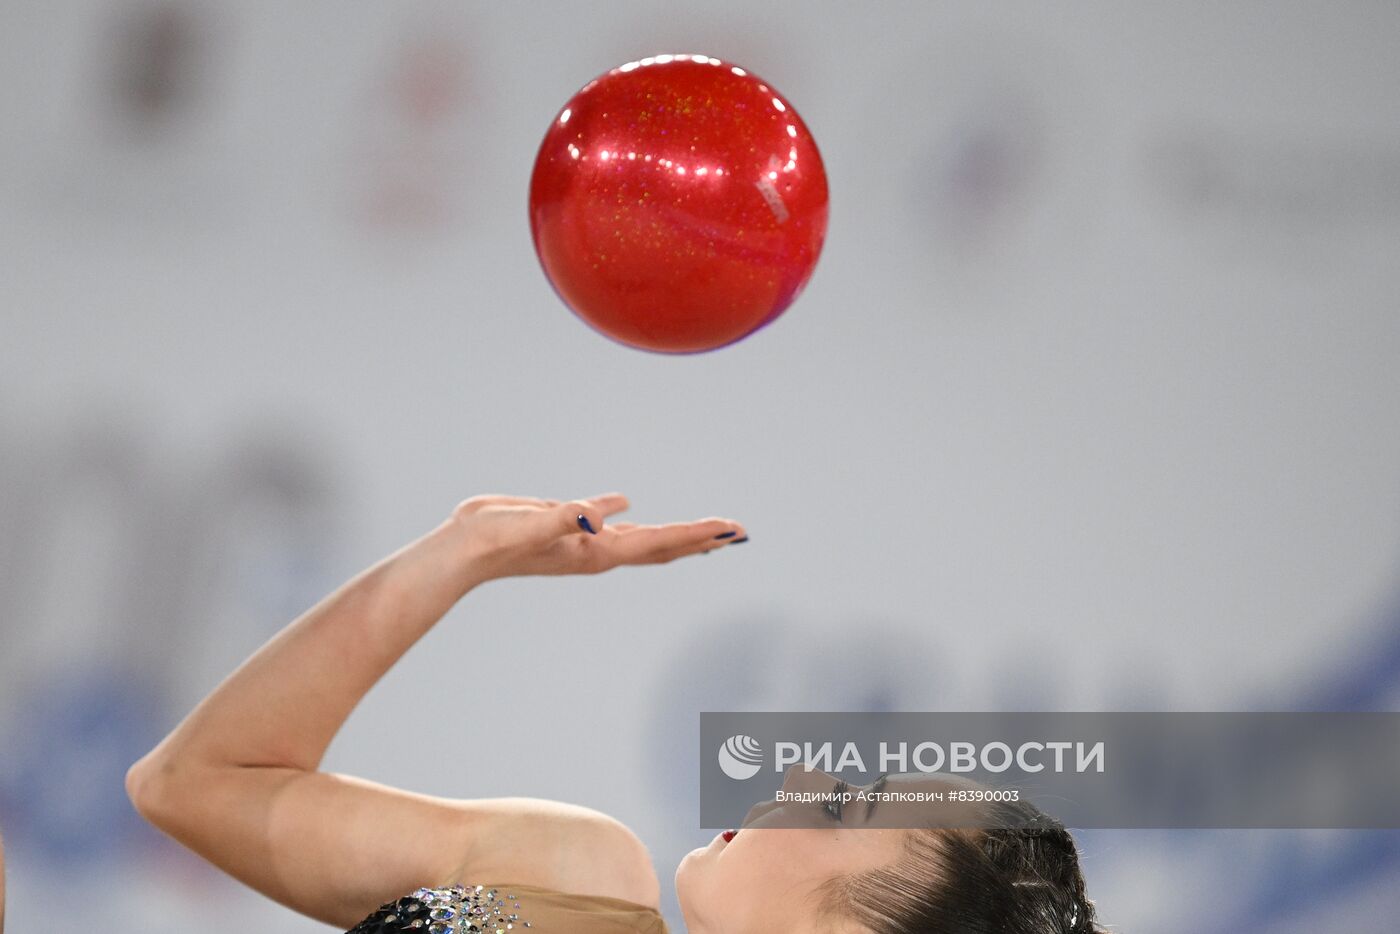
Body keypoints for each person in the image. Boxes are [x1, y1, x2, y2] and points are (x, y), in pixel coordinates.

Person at [127, 493, 1103, 933]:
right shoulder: (568, 878)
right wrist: (457, 557)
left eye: (847, 807)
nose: (802, 777)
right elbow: (191, 785)